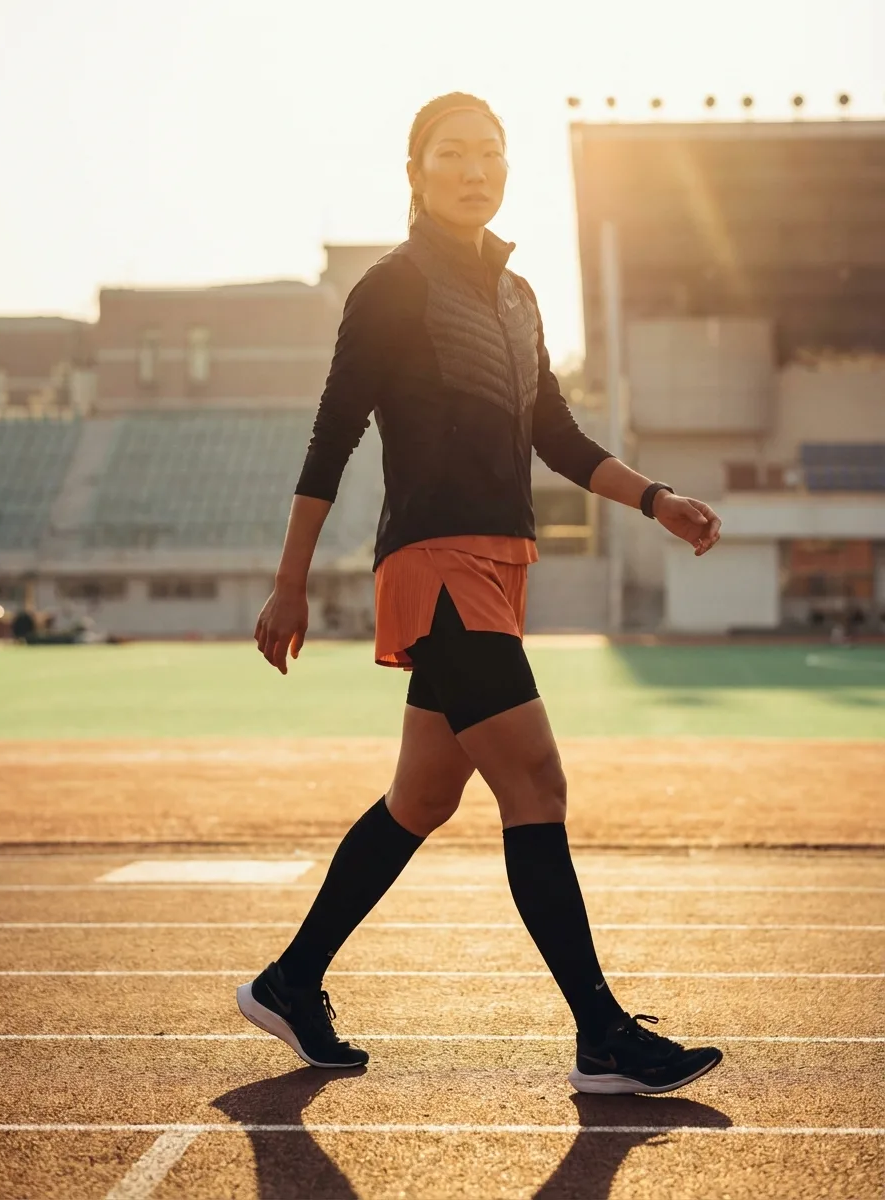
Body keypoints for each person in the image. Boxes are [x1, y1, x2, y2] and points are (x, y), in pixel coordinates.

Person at [241, 92, 724, 1096]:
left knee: (421, 797)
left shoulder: (517, 295)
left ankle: (291, 981)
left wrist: (654, 499)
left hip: (498, 565)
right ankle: (600, 1035)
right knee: (535, 784)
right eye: (452, 153)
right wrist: (288, 583)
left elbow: (554, 434)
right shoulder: (390, 286)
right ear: (413, 171)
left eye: (490, 154)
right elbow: (331, 437)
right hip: (434, 565)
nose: (475, 169)